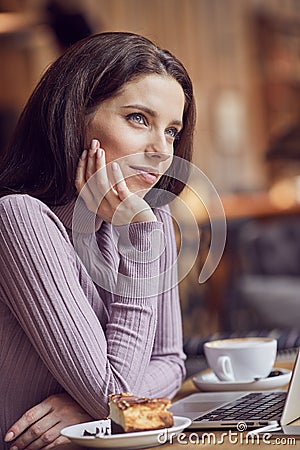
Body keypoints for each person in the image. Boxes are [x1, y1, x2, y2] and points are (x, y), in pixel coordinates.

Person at [0, 32, 196, 449]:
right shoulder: (20, 219)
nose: (162, 150)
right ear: (76, 116)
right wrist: (105, 402)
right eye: (139, 118)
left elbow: (171, 363)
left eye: (173, 131)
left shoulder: (150, 219)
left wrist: (84, 407)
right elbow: (118, 394)